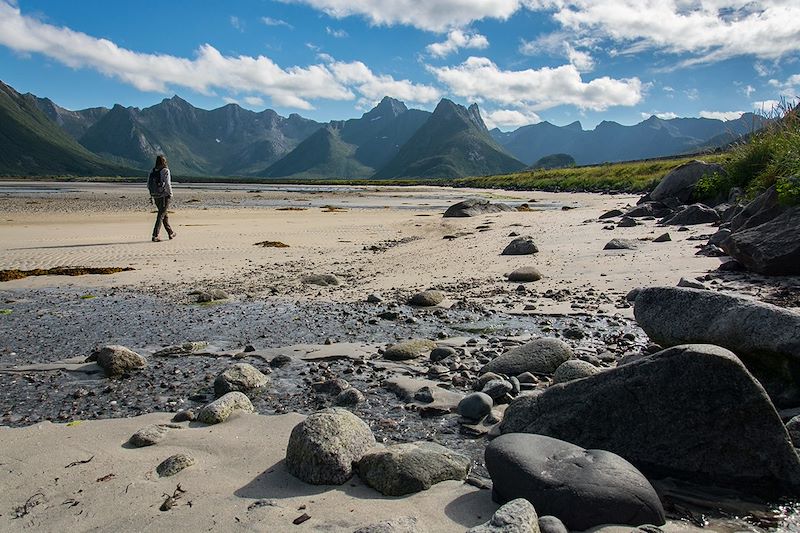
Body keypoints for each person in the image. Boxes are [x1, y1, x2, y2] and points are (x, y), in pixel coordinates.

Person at [148, 155, 176, 242]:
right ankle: (155, 235)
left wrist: (152, 194)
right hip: (164, 196)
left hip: (155, 195)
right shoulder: (165, 170)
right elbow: (167, 184)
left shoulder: (152, 171)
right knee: (161, 215)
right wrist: (170, 194)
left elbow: (148, 184)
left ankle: (170, 232)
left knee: (164, 214)